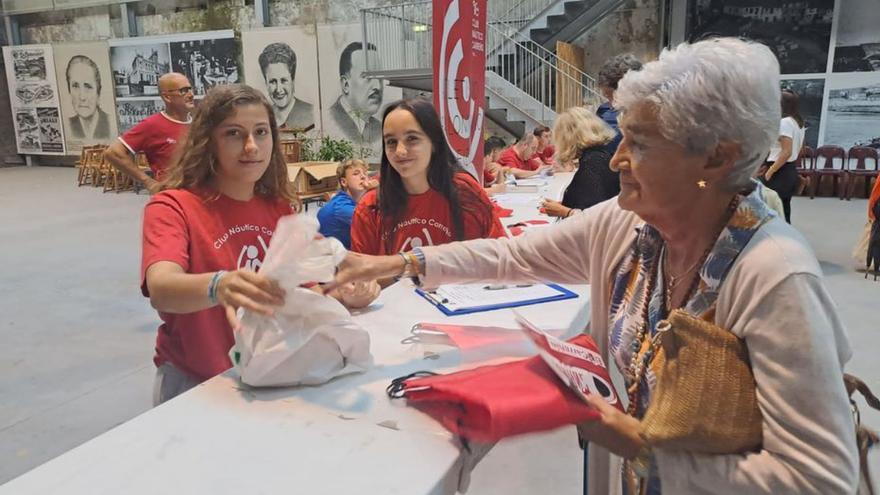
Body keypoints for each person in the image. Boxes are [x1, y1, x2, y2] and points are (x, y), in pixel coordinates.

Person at [332, 38, 858, 494]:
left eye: (641, 143)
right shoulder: (625, 225)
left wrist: (645, 450)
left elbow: (820, 478)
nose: (614, 159)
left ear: (717, 158)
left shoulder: (775, 275)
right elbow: (512, 255)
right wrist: (402, 261)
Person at [142, 84, 379, 405]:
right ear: (207, 140)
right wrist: (219, 285)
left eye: (261, 132)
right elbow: (162, 288)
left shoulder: (277, 208)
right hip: (197, 383)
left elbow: (306, 288)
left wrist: (346, 291)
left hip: (269, 374)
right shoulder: (173, 207)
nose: (251, 146)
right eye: (234, 134)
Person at [350, 98, 506, 258]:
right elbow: (362, 273)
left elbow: (499, 255)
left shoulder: (464, 192)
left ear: (434, 143)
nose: (400, 151)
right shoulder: (370, 207)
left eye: (412, 138)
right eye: (391, 142)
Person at [104, 72, 194, 193]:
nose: (191, 94)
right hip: (173, 197)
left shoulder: (199, 123)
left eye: (190, 89)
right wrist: (147, 181)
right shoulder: (153, 124)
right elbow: (113, 153)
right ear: (167, 97)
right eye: (183, 91)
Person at [540, 107, 618, 218]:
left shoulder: (593, 162)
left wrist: (565, 211)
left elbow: (595, 217)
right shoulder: (599, 155)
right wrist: (566, 205)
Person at [761, 90, 806, 223]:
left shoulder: (784, 122)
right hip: (788, 170)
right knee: (783, 208)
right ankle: (786, 237)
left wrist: (770, 171)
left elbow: (786, 152)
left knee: (772, 210)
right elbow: (799, 150)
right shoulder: (797, 122)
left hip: (779, 171)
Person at [329, 42, 384, 145]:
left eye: (379, 77)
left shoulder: (380, 129)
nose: (378, 86)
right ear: (345, 85)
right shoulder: (329, 123)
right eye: (366, 77)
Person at [258, 43, 315, 131]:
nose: (279, 89)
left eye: (284, 80)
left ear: (292, 80)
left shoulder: (311, 113)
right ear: (266, 83)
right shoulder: (262, 117)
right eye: (273, 81)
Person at [317, 159, 371, 249]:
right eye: (356, 174)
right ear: (344, 182)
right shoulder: (341, 207)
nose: (363, 177)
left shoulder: (350, 202)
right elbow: (377, 223)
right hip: (333, 261)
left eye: (365, 174)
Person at [596, 53, 643, 154]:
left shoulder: (656, 118)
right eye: (607, 97)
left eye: (611, 96)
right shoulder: (603, 111)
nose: (612, 104)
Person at [65, 55, 111, 140]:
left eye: (88, 87)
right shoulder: (67, 126)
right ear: (69, 91)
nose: (82, 97)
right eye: (75, 86)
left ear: (98, 92)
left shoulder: (110, 124)